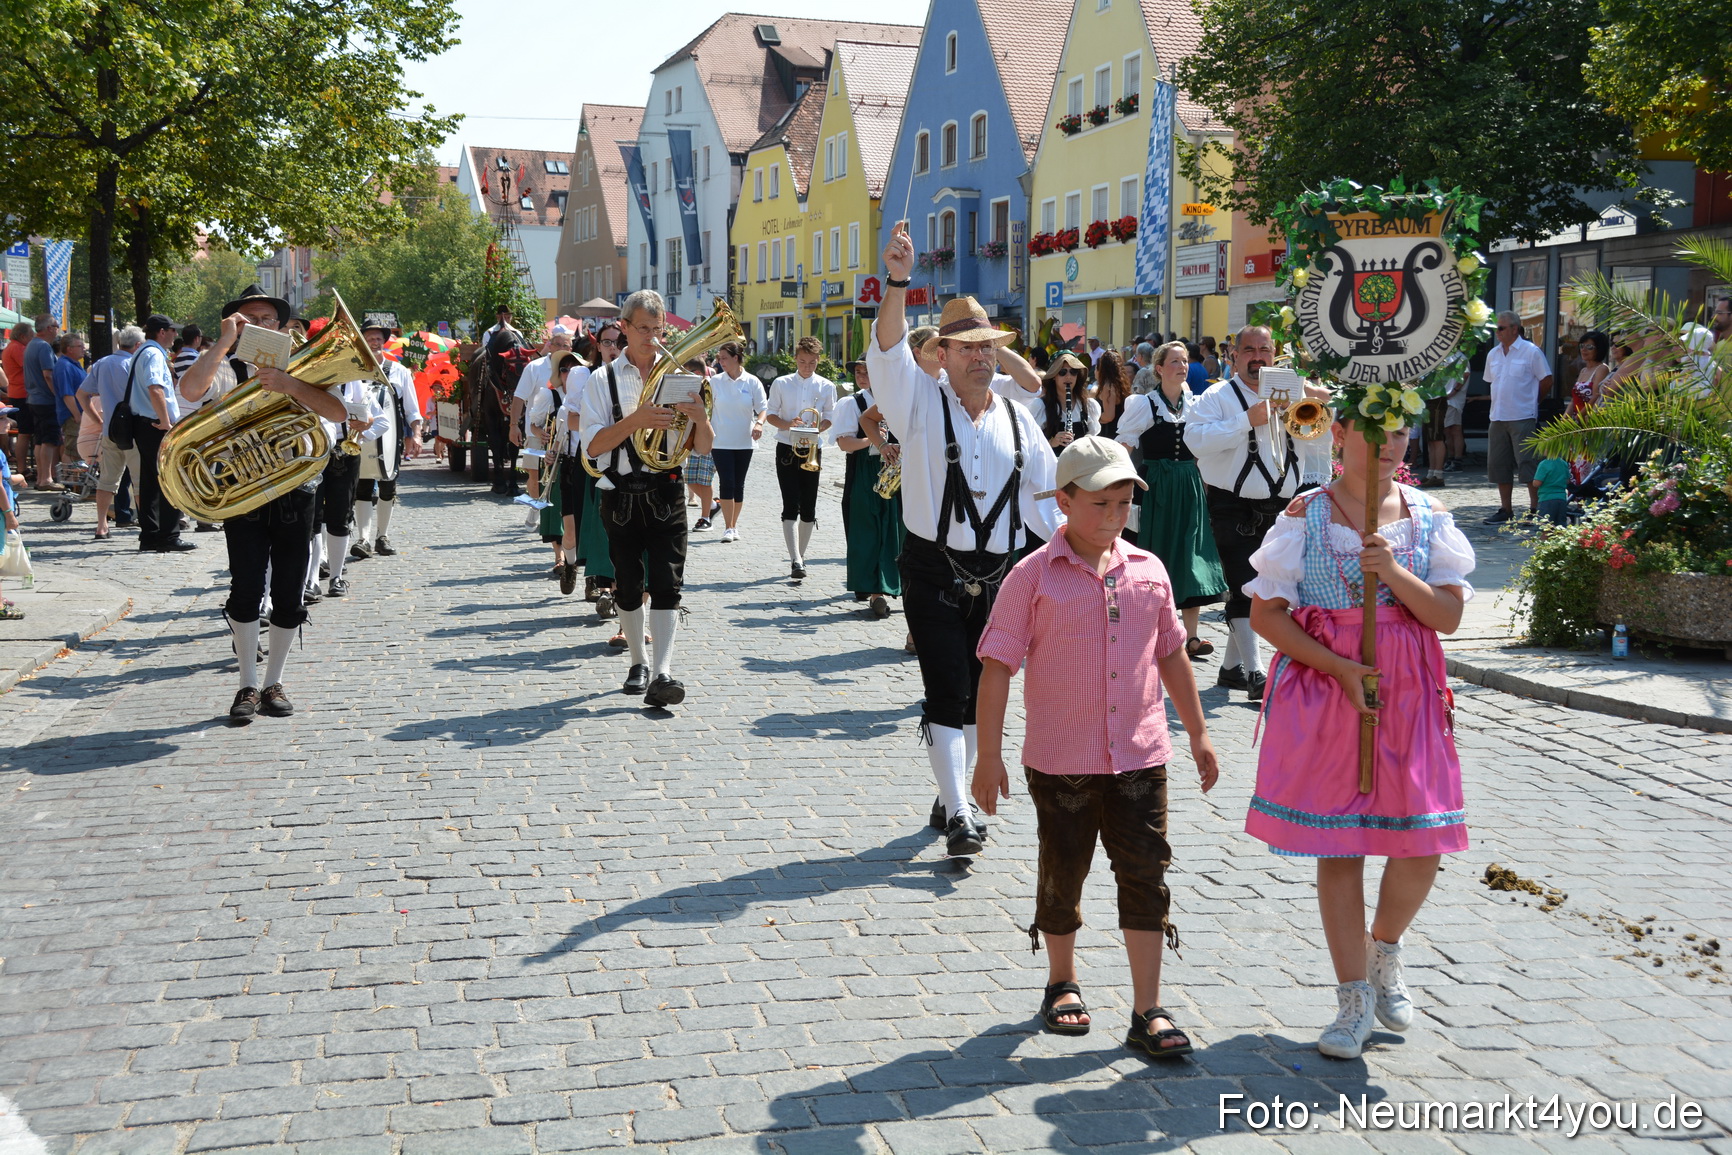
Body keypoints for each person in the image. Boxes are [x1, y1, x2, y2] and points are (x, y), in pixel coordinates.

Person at [972, 436, 1218, 1053]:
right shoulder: (1032, 576)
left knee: (1146, 873)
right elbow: (997, 666)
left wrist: (1198, 732)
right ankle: (1062, 981)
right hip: (1062, 760)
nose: (1114, 515)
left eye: (1124, 503)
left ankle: (1148, 1008)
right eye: (1101, 503)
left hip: (1141, 754)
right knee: (1064, 869)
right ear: (1064, 501)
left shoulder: (1149, 570)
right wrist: (988, 756)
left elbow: (1171, 654)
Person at [1245, 414, 1475, 1060]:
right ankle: (1352, 999)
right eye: (1376, 430)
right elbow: (1266, 614)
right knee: (1341, 844)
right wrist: (1339, 668)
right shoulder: (1305, 515)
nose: (1390, 444)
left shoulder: (1428, 516)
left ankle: (1384, 950)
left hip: (1410, 692)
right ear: (1340, 434)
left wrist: (1393, 572)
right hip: (1331, 688)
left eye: (1400, 431)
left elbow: (1448, 616)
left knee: (1423, 840)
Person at [866, 223, 1062, 858]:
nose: (981, 356)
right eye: (968, 347)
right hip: (932, 569)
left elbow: (1048, 501)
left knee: (983, 690)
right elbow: (888, 351)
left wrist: (1083, 562)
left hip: (1002, 575)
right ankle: (960, 813)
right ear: (943, 355)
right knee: (947, 687)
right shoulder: (917, 403)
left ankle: (951, 792)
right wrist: (898, 281)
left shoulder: (1019, 421)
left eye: (989, 347)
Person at [177, 293, 350, 721]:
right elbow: (190, 391)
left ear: (281, 326)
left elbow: (337, 412)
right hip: (242, 494)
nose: (259, 324)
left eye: (267, 318)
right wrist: (224, 342)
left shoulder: (301, 365)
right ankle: (247, 684)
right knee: (245, 589)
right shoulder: (224, 366)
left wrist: (292, 385)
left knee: (289, 590)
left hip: (295, 490)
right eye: (248, 318)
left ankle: (274, 680)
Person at [577, 289, 714, 706]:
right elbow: (593, 446)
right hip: (620, 493)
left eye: (658, 329)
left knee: (668, 584)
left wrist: (701, 418)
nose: (652, 337)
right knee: (628, 584)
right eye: (643, 329)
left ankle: (662, 672)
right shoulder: (602, 379)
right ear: (624, 327)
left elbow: (703, 447)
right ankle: (638, 661)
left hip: (667, 489)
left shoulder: (681, 378)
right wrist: (636, 419)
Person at [1183, 325, 1330, 700]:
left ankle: (1232, 669)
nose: (1257, 358)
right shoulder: (1217, 396)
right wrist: (1246, 420)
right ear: (1234, 356)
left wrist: (1316, 400)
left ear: (1274, 353)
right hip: (1231, 504)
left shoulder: (1293, 391)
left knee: (1271, 588)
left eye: (1264, 350)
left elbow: (1319, 444)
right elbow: (1195, 441)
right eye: (1249, 350)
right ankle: (1256, 674)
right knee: (1245, 585)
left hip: (1283, 506)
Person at [1116, 340, 1225, 659]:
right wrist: (1113, 478)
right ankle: (1151, 631)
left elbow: (1208, 445)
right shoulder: (1145, 404)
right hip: (1157, 487)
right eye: (1175, 361)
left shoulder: (1198, 405)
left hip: (1189, 484)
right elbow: (1126, 445)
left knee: (1191, 555)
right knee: (1156, 552)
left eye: (1185, 361)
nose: (1182, 366)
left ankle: (1191, 636)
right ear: (1159, 368)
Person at [306, 339, 387, 600]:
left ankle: (336, 576)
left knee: (339, 517)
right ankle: (311, 579)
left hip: (343, 454)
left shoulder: (354, 384)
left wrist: (360, 435)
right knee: (312, 518)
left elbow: (381, 421)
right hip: (312, 453)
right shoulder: (307, 381)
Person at [350, 316, 424, 559]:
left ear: (384, 341)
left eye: (378, 338)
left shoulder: (399, 371)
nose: (374, 342)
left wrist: (416, 434)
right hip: (360, 436)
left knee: (387, 485)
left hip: (391, 439)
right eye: (369, 338)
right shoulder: (352, 370)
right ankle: (363, 538)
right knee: (362, 486)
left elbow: (412, 409)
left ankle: (382, 536)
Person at [835, 359, 903, 618]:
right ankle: (874, 591)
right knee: (868, 530)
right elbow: (845, 444)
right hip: (866, 471)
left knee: (896, 529)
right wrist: (874, 439)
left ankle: (896, 584)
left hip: (897, 470)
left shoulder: (899, 398)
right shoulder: (852, 403)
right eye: (858, 372)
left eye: (867, 371)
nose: (861, 376)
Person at [765, 336, 836, 581]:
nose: (807, 367)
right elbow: (770, 414)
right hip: (787, 447)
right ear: (795, 359)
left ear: (818, 360)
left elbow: (830, 416)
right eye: (803, 362)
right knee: (790, 503)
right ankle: (795, 558)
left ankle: (801, 556)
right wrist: (788, 424)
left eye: (812, 362)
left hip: (812, 448)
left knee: (809, 506)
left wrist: (818, 427)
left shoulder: (826, 386)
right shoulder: (781, 383)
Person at [128, 314, 194, 552]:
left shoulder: (141, 352)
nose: (176, 334)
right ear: (162, 332)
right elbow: (155, 388)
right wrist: (166, 421)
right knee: (170, 478)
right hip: (156, 424)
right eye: (173, 330)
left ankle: (150, 535)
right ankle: (168, 535)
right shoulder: (154, 354)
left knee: (150, 482)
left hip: (144, 423)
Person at [1482, 312, 1552, 523]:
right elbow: (1491, 382)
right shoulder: (1493, 354)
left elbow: (1547, 380)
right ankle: (1506, 510)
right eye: (1495, 328)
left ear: (1514, 329)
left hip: (1522, 416)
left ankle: (1535, 509)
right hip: (1497, 417)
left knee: (1528, 464)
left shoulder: (1531, 351)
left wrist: (1532, 402)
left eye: (1501, 328)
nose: (1497, 332)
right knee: (1498, 465)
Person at [78, 325, 142, 539]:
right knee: (140, 480)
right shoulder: (135, 364)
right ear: (137, 345)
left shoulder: (102, 363)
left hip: (110, 429)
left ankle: (101, 525)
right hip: (134, 429)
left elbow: (81, 395)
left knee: (107, 479)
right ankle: (148, 526)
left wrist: (98, 421)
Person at [531, 351, 583, 587]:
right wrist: (544, 439)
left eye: (574, 369)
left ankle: (592, 575)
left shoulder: (594, 397)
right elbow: (535, 424)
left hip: (589, 464)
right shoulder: (550, 396)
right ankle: (563, 559)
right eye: (564, 369)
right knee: (560, 517)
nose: (569, 373)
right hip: (563, 461)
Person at [511, 324, 573, 520]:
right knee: (534, 474)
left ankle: (552, 513)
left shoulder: (576, 368)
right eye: (558, 345)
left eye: (566, 345)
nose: (562, 348)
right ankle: (535, 506)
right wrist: (513, 426)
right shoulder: (535, 367)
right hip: (536, 431)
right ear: (550, 346)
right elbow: (519, 396)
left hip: (564, 434)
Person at [707, 341, 766, 543]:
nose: (721, 362)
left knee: (739, 485)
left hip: (744, 441)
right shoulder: (715, 381)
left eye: (724, 358)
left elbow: (763, 408)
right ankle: (728, 527)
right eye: (719, 358)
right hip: (720, 441)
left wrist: (759, 424)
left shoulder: (752, 381)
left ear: (736, 358)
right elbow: (706, 408)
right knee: (727, 482)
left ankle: (734, 524)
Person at [680, 357, 720, 530]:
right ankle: (712, 505)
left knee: (705, 480)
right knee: (688, 478)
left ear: (696, 373)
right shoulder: (688, 389)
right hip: (690, 439)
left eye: (684, 373)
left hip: (709, 438)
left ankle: (706, 517)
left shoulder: (711, 386)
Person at [25, 314, 63, 491]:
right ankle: (46, 479)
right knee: (48, 440)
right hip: (46, 400)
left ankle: (42, 478)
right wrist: (58, 396)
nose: (57, 329)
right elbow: (48, 375)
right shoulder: (43, 347)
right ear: (49, 328)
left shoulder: (32, 344)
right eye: (56, 326)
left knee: (40, 440)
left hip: (34, 399)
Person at [1038, 354, 1100, 451]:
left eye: (1073, 372)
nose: (1068, 376)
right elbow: (1032, 439)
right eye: (1062, 372)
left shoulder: (1088, 405)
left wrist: (1085, 440)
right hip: (1053, 459)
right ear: (1054, 376)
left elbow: (1093, 433)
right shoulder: (1041, 405)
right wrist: (1052, 442)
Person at [53, 333, 87, 458]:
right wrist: (77, 415)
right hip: (72, 416)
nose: (83, 348)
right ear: (69, 349)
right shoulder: (64, 366)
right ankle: (69, 472)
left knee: (76, 450)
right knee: (73, 451)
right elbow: (67, 394)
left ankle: (72, 471)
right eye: (80, 346)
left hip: (80, 414)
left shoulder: (73, 364)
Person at [2, 322, 30, 478]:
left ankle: (22, 466)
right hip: (22, 392)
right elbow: (29, 367)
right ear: (22, 336)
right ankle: (22, 467)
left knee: (24, 432)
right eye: (31, 336)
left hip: (16, 391)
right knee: (25, 432)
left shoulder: (10, 347)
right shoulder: (18, 348)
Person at [1093, 349, 1128, 441]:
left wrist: (1094, 418)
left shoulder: (1108, 387)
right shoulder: (1122, 385)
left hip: (1108, 435)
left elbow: (1109, 416)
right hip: (1119, 432)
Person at [1571, 330, 1611, 412]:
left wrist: (1579, 417)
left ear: (1599, 349)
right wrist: (1564, 417)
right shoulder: (1583, 370)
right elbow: (1574, 400)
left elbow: (1596, 397)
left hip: (1590, 416)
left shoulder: (1602, 369)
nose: (1584, 349)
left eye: (1589, 347)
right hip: (1576, 416)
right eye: (1582, 346)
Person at [1534, 449, 1572, 525]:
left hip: (1546, 498)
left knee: (1544, 526)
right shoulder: (1563, 463)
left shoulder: (1544, 464)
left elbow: (1537, 483)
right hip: (1561, 498)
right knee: (1560, 525)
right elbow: (1567, 481)